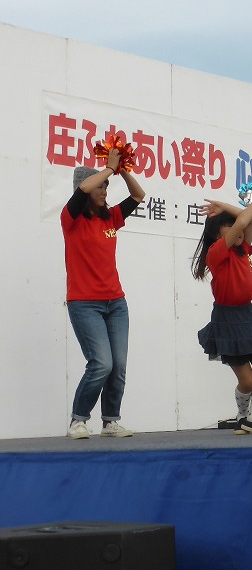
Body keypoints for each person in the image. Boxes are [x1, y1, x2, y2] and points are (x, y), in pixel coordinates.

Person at [63, 153, 146, 439]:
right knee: (101, 363)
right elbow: (83, 188)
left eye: (107, 187)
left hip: (116, 303)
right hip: (84, 303)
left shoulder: (111, 217)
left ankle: (110, 421)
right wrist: (109, 167)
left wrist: (122, 170)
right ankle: (78, 420)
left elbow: (138, 195)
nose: (104, 191)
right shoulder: (71, 218)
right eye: (100, 186)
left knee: (118, 366)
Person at [192, 191, 252, 434]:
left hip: (247, 315)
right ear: (216, 232)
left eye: (234, 225)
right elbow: (243, 221)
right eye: (228, 226)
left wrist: (223, 206)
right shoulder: (217, 252)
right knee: (247, 381)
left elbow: (246, 223)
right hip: (227, 318)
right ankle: (242, 416)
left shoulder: (243, 250)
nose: (237, 229)